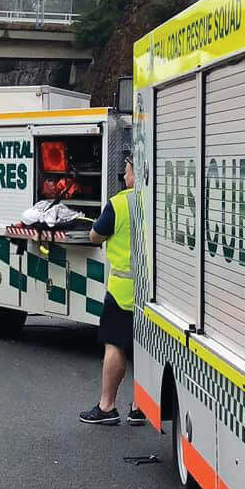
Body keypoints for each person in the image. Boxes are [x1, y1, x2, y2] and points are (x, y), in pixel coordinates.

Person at [80, 153, 144, 425]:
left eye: (128, 171)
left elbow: (95, 235)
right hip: (156, 293)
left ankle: (107, 406)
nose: (125, 176)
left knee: (115, 345)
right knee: (147, 349)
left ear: (136, 175)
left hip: (123, 292)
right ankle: (141, 406)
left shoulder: (119, 203)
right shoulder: (161, 198)